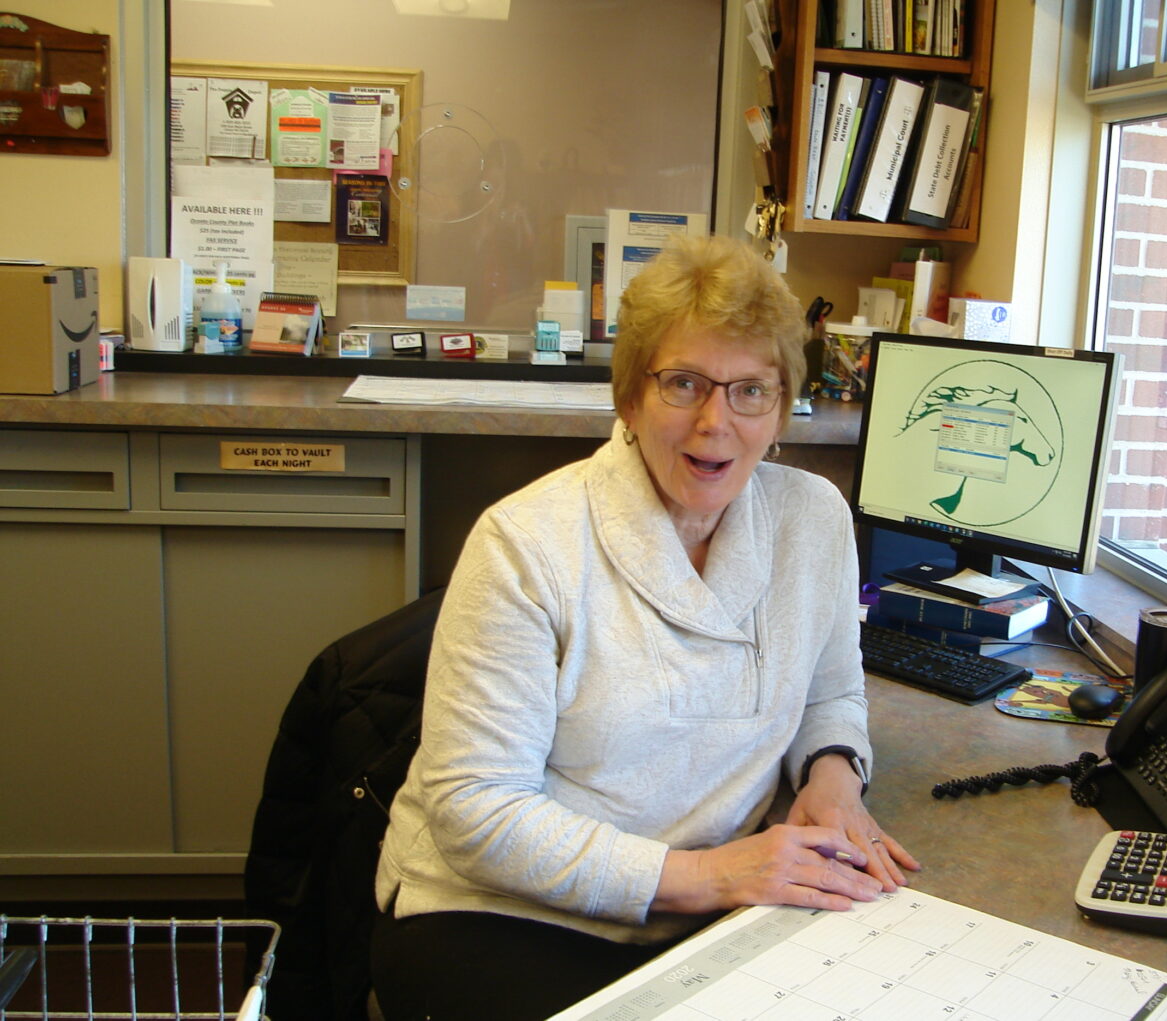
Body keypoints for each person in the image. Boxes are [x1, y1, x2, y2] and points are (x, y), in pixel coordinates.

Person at [371, 234, 919, 1019]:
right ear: (629, 396)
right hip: (503, 909)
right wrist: (714, 875)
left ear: (782, 405)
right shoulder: (525, 544)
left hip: (721, 900)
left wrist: (833, 780)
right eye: (683, 383)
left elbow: (829, 692)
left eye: (750, 390)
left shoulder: (815, 520)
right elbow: (478, 811)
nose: (714, 422)